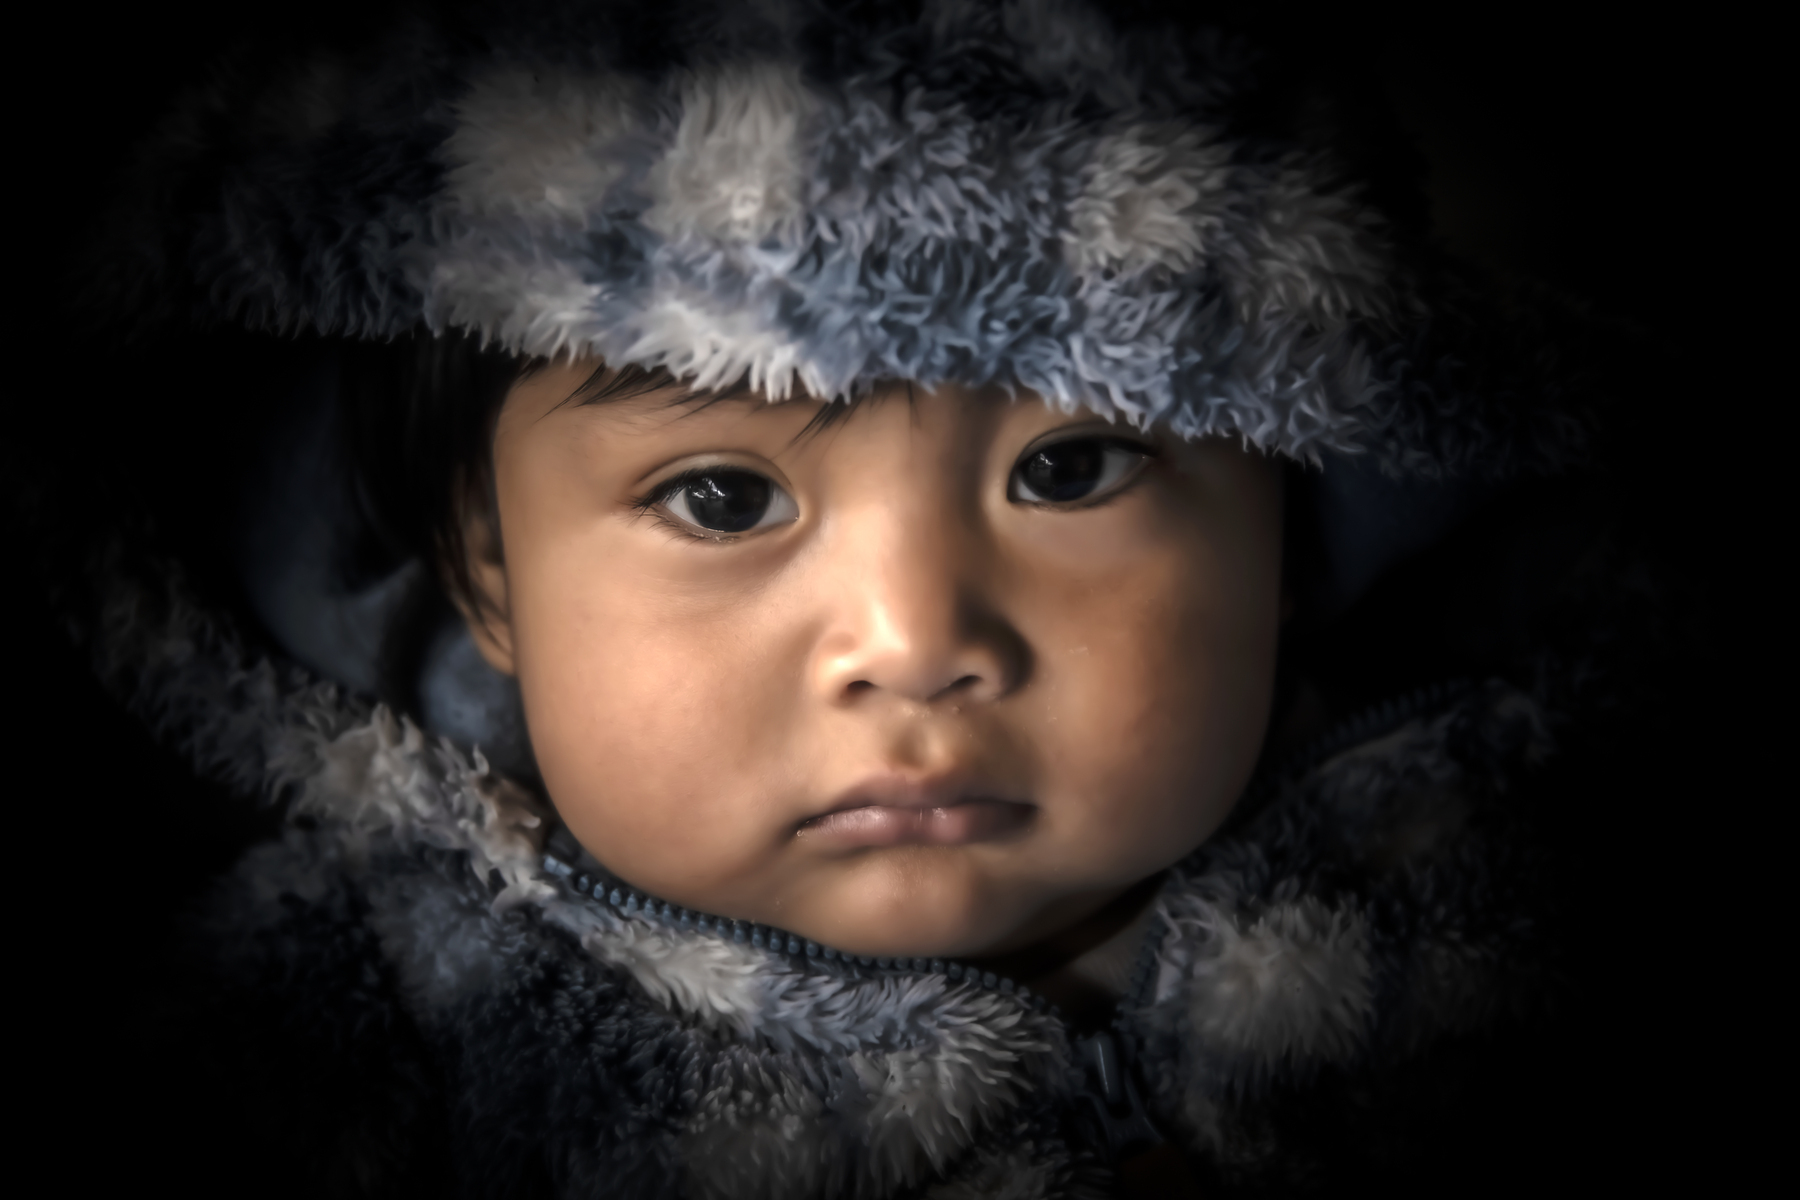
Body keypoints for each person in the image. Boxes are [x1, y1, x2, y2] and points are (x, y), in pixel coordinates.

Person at [16, 1, 1654, 1195]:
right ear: (488, 575)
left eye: (1071, 471)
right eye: (724, 497)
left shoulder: (1529, 917)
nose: (920, 647)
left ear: (1291, 523)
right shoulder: (356, 1029)